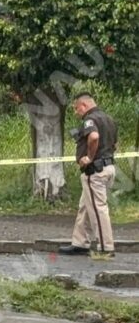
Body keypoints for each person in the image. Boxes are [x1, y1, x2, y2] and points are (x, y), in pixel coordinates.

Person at [59, 92, 117, 258]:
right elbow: (115, 144)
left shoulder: (90, 120)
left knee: (98, 209)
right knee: (85, 206)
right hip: (108, 167)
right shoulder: (109, 119)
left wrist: (89, 157)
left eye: (77, 109)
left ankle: (106, 248)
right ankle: (80, 243)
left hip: (95, 171)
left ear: (83, 105)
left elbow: (94, 136)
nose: (77, 113)